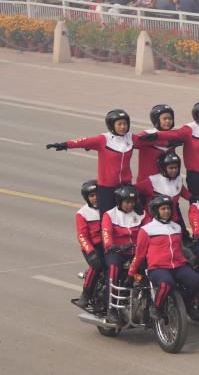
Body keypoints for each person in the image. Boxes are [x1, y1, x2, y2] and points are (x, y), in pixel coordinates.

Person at [47, 109, 157, 216]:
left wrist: (163, 138)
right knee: (106, 217)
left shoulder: (131, 138)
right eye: (119, 124)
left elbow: (148, 140)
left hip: (125, 184)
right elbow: (83, 141)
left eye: (125, 124)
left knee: (128, 215)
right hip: (107, 186)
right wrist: (64, 145)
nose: (123, 127)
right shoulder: (103, 139)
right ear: (111, 125)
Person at [128, 195, 199, 321]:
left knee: (197, 281)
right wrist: (131, 273)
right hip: (158, 268)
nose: (167, 211)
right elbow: (139, 254)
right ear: (155, 211)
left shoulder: (176, 227)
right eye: (163, 209)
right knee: (166, 283)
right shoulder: (146, 230)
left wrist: (189, 260)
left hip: (178, 266)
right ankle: (155, 307)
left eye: (168, 208)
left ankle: (187, 306)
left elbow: (179, 248)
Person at [101, 184, 144, 320]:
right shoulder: (110, 215)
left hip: (136, 252)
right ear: (119, 202)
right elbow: (106, 233)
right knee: (114, 269)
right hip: (117, 252)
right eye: (127, 202)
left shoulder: (140, 213)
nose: (130, 205)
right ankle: (111, 308)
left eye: (132, 202)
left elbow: (150, 229)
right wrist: (110, 245)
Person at [134, 151, 191, 230]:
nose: (174, 170)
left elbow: (181, 190)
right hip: (153, 220)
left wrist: (192, 198)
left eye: (176, 167)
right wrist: (137, 205)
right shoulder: (152, 181)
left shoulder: (178, 179)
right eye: (171, 168)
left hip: (173, 219)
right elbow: (134, 189)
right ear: (164, 168)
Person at [135, 104, 182, 184]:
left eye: (170, 118)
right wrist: (165, 143)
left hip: (166, 183)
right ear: (156, 120)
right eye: (165, 119)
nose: (168, 121)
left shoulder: (173, 135)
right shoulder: (147, 134)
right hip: (147, 182)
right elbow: (134, 142)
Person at [75, 180, 104, 309]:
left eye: (97, 194)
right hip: (92, 248)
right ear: (87, 197)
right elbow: (82, 236)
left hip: (107, 246)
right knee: (96, 266)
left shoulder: (108, 209)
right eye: (92, 195)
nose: (95, 198)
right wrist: (92, 253)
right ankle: (85, 294)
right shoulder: (82, 213)